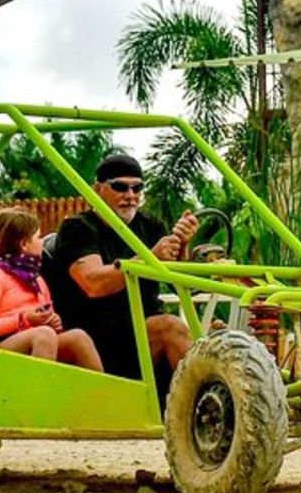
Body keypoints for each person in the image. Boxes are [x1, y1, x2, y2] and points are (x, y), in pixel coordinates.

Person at [44, 154, 198, 382]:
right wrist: (150, 257)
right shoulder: (78, 228)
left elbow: (181, 286)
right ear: (98, 189)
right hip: (97, 338)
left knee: (214, 337)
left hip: (141, 334)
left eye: (137, 189)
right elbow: (93, 283)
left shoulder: (150, 225)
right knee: (170, 328)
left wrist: (182, 246)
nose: (130, 196)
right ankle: (198, 410)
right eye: (120, 187)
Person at [0, 207, 102, 371]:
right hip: (0, 347)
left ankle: (102, 394)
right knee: (43, 335)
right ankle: (41, 394)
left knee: (78, 336)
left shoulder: (36, 279)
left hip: (38, 341)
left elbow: (46, 313)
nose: (42, 242)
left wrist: (53, 321)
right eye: (38, 237)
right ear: (24, 244)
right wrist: (24, 319)